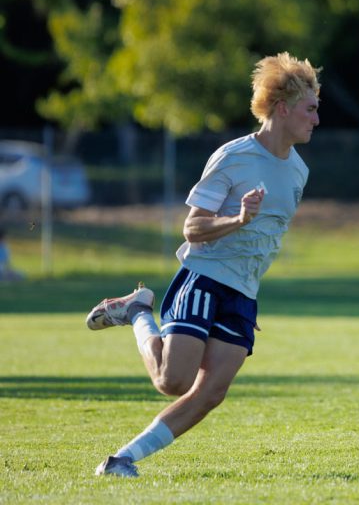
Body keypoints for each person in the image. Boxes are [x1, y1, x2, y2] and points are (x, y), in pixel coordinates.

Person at [85, 52, 321, 477]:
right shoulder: (235, 157)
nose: (316, 120)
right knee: (171, 381)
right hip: (204, 279)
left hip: (244, 294)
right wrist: (238, 219)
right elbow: (192, 228)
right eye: (311, 109)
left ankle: (123, 460)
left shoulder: (299, 170)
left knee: (211, 392)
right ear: (283, 109)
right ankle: (139, 310)